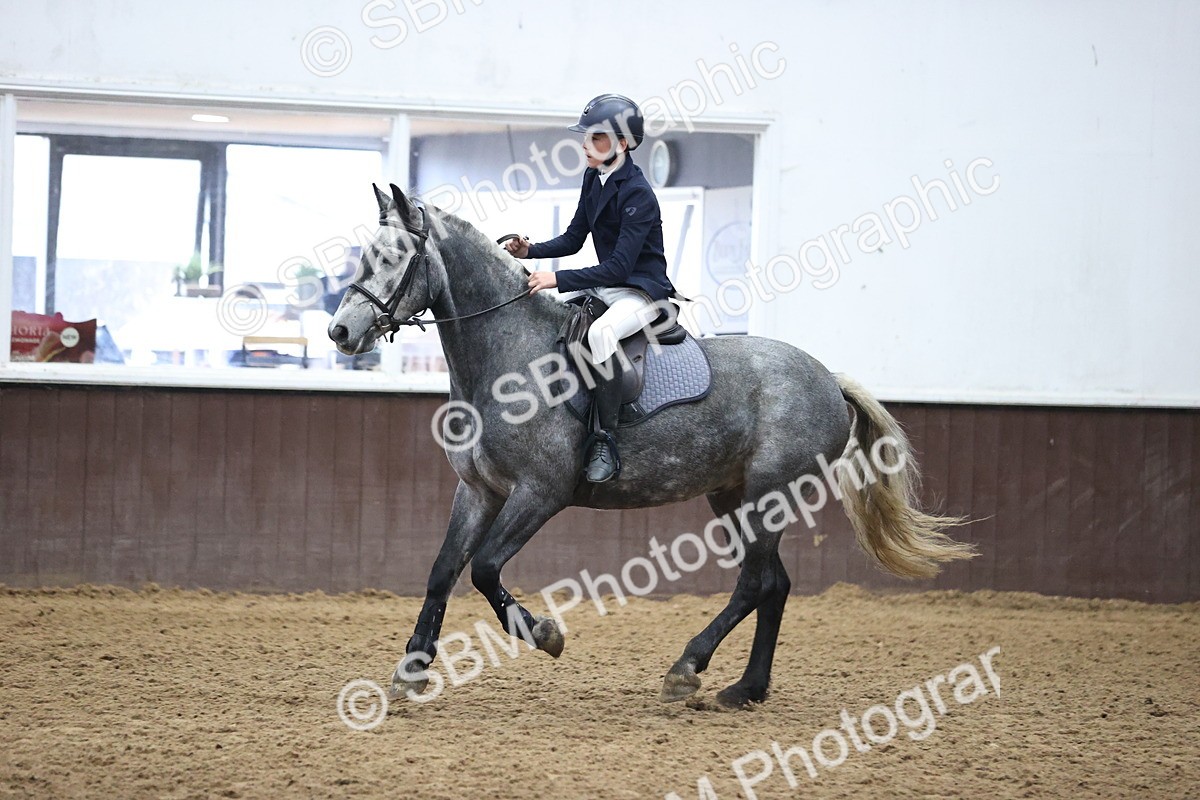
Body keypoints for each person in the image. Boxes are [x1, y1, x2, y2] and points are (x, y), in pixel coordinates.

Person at [506, 93, 677, 484]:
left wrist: (558, 278)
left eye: (595, 138)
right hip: (606, 288)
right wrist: (530, 251)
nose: (584, 145)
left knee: (600, 332)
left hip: (640, 291)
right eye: (585, 137)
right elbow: (573, 238)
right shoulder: (593, 177)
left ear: (622, 143)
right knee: (551, 316)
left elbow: (619, 266)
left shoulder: (638, 194)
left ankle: (606, 438)